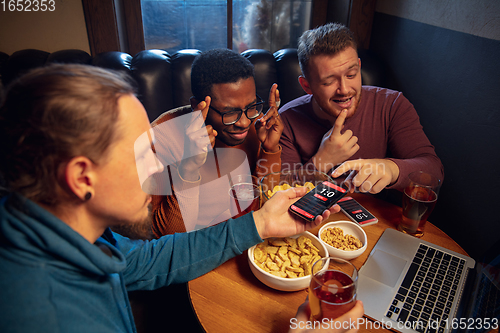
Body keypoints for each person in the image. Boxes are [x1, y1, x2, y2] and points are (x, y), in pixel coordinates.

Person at [0, 64, 361, 333]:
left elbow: (144, 261)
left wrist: (262, 223)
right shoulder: (49, 316)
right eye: (143, 153)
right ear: (81, 178)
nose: (156, 165)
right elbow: (163, 230)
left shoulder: (74, 230)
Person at [279, 23, 443, 194]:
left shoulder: (392, 104)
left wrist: (391, 168)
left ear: (359, 66)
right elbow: (279, 194)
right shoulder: (286, 120)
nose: (344, 89)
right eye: (328, 81)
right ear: (307, 86)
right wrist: (322, 161)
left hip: (378, 218)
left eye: (351, 75)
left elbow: (433, 170)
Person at [150, 48, 283, 236]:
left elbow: (262, 202)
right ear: (198, 106)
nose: (244, 123)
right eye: (229, 113)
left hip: (246, 240)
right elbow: (164, 238)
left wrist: (270, 150)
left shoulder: (255, 121)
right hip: (196, 252)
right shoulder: (159, 139)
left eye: (251, 105)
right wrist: (189, 168)